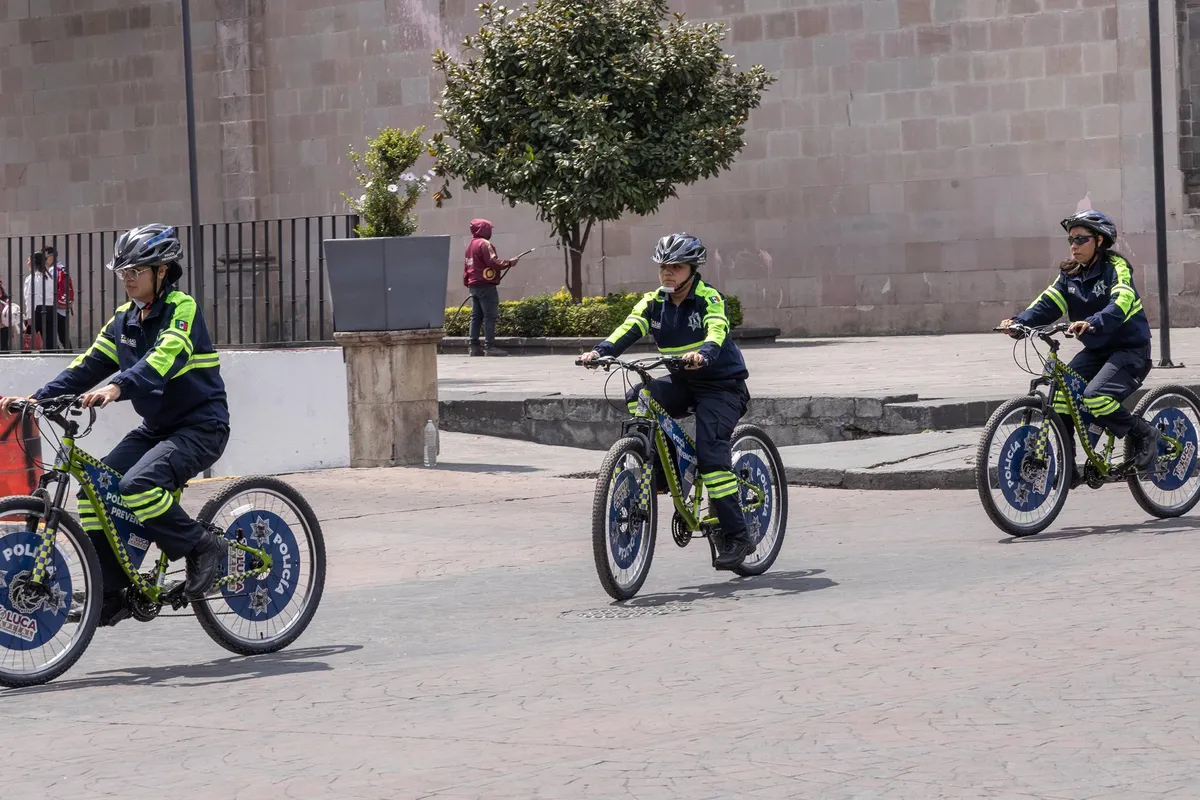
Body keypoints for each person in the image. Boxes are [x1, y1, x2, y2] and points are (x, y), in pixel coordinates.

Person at [1, 224, 230, 626]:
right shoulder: (124, 319)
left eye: (136, 270)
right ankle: (112, 588)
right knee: (98, 490)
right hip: (157, 429)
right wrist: (36, 398)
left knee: (136, 486)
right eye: (123, 271)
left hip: (200, 427)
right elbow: (87, 364)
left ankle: (202, 546)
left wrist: (117, 388)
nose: (127, 278)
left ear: (162, 271)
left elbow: (162, 360)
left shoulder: (182, 309)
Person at [579, 232, 755, 569]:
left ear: (692, 268)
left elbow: (717, 331)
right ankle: (661, 469)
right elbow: (628, 328)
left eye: (675, 267)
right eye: (663, 267)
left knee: (711, 457)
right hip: (682, 383)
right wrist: (600, 352)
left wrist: (704, 354)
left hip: (722, 387)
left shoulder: (709, 298)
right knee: (639, 397)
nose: (667, 273)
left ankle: (737, 535)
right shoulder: (653, 301)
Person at [999, 210, 1160, 479]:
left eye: (1080, 239)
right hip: (1097, 352)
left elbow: (1121, 301)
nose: (1073, 245)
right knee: (1061, 397)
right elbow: (1048, 303)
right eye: (1070, 240)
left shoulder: (1116, 268)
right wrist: (1019, 323)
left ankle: (1145, 433)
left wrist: (1094, 322)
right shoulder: (1069, 275)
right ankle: (1068, 470)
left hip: (1130, 352)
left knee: (1095, 396)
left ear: (1099, 241)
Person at [463, 219, 522, 357]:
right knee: (490, 316)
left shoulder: (470, 245)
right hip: (486, 285)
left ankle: (474, 347)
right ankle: (490, 347)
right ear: (484, 229)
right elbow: (493, 261)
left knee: (476, 316)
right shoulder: (485, 244)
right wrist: (509, 263)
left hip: (473, 284)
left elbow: (467, 266)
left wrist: (468, 282)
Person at [22, 251, 57, 350]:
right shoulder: (50, 278)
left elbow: (30, 298)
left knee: (28, 339)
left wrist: (29, 316)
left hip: (38, 310)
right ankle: (51, 355)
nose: (27, 263)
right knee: (49, 338)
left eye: (28, 260)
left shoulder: (32, 278)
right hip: (50, 309)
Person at [43, 245, 73, 350]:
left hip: (55, 307)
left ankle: (54, 352)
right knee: (63, 335)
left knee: (50, 334)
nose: (45, 260)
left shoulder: (52, 270)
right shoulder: (62, 267)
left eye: (45, 257)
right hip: (64, 306)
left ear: (51, 257)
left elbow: (49, 289)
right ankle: (69, 353)